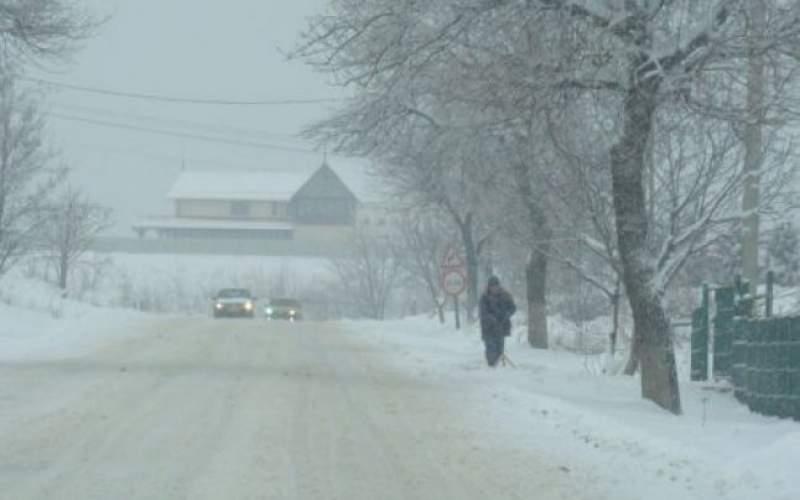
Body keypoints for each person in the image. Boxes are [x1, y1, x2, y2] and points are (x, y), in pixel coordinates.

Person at [479, 276, 517, 367]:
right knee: (491, 348)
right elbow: (483, 313)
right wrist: (492, 319)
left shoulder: (505, 296)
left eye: (496, 286)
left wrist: (507, 314)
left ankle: (499, 367)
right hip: (489, 329)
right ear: (489, 287)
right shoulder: (484, 298)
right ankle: (492, 366)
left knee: (500, 349)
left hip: (502, 327)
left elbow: (513, 307)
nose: (494, 288)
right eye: (492, 286)